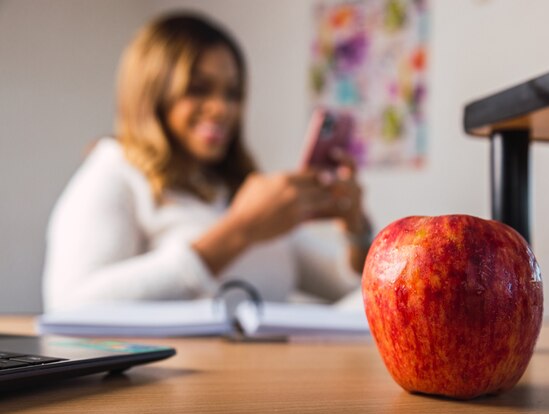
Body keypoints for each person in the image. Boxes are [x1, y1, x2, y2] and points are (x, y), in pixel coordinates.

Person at [42, 12, 372, 312]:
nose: (222, 108)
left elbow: (351, 289)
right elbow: (71, 304)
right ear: (153, 93)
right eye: (199, 89)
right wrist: (238, 231)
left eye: (232, 93)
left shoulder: (233, 188)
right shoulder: (115, 172)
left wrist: (355, 229)